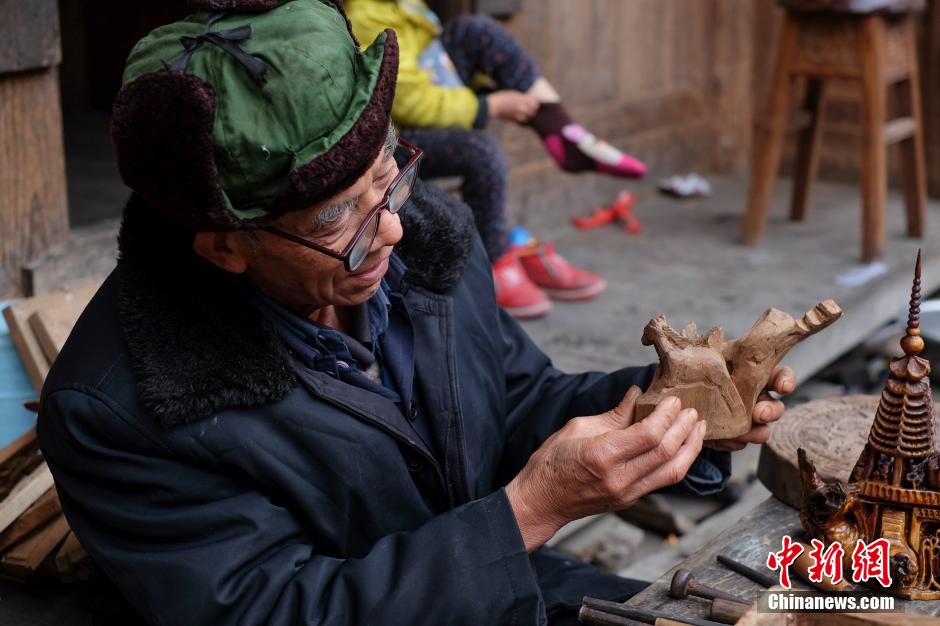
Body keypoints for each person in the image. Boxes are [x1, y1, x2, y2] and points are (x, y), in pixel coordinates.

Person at [37, 2, 792, 624]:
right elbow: (280, 611)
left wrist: (674, 406)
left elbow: (515, 397)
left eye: (389, 176)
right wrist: (528, 511)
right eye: (343, 217)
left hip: (500, 592)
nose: (392, 227)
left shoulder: (419, 242)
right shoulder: (121, 409)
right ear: (227, 248)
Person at [346, 0, 647, 319]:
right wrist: (488, 106)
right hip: (395, 139)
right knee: (482, 152)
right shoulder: (367, 14)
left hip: (430, 113)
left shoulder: (407, 4)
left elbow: (435, 68)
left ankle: (561, 127)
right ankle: (496, 257)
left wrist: (480, 87)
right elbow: (407, 102)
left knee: (476, 31)